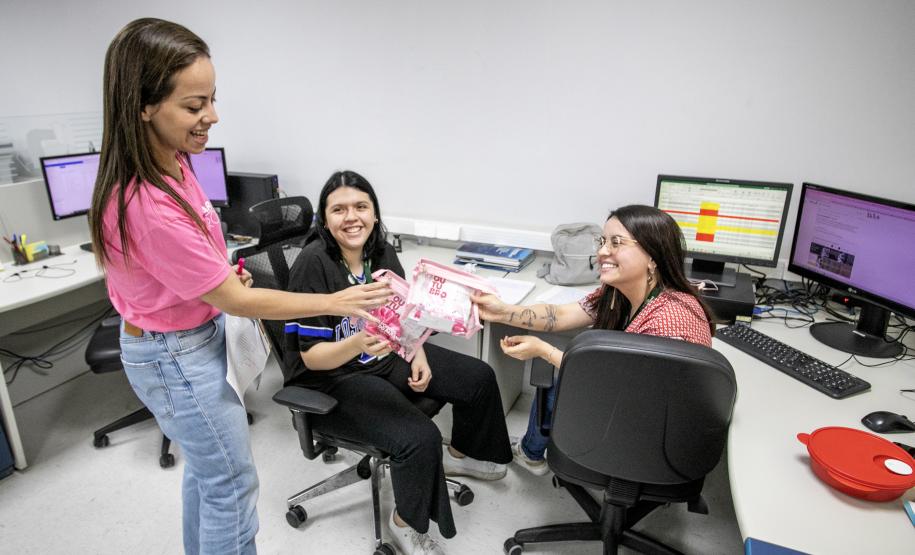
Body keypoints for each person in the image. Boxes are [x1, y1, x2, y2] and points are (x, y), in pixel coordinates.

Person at [88, 19, 391, 555]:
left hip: (192, 338)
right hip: (172, 353)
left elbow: (205, 266)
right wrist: (335, 300)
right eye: (195, 105)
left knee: (207, 476)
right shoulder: (145, 202)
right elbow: (235, 300)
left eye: (212, 99)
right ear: (144, 106)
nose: (213, 116)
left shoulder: (174, 163)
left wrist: (220, 271)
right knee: (232, 484)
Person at [283, 170, 512, 555]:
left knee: (478, 377)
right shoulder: (312, 263)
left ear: (374, 214)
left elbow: (407, 318)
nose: (351, 216)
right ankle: (406, 523)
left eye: (360, 206)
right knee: (419, 436)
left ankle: (460, 455)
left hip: (383, 354)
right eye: (338, 209)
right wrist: (358, 341)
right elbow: (311, 356)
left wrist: (417, 352)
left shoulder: (381, 252)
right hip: (331, 376)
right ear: (324, 219)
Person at [473, 204, 714, 475]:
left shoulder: (670, 320)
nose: (601, 252)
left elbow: (620, 390)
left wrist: (544, 351)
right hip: (638, 415)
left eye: (616, 242)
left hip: (650, 439)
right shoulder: (619, 293)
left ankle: (532, 453)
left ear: (653, 256)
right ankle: (532, 452)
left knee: (559, 378)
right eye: (602, 241)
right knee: (564, 373)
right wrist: (504, 311)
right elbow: (562, 315)